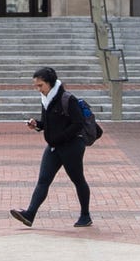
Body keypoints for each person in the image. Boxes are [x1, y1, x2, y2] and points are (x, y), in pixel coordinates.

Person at [10, 65, 92, 229]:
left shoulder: (67, 99)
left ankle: (85, 215)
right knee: (43, 180)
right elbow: (48, 124)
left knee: (78, 180)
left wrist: (60, 138)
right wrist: (37, 125)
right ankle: (30, 214)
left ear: (50, 83)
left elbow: (78, 124)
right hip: (54, 146)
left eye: (40, 85)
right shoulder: (46, 99)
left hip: (72, 146)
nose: (38, 89)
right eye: (36, 86)